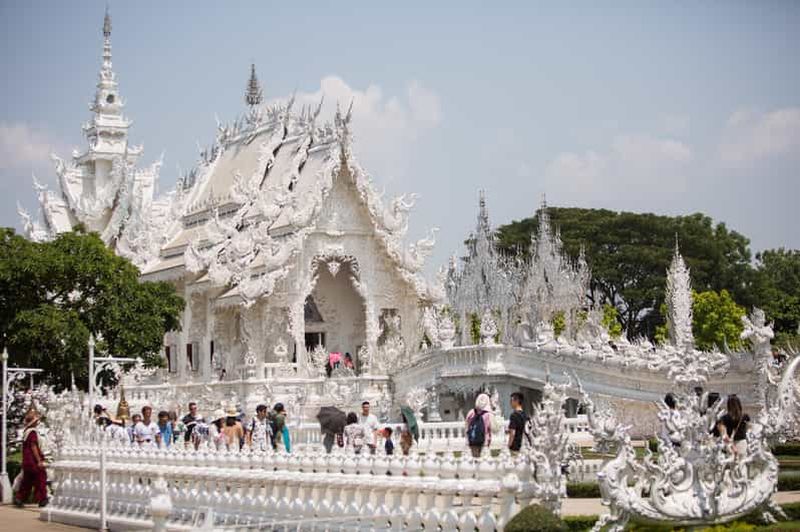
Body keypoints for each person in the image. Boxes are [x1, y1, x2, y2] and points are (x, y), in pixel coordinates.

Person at [14, 412, 48, 507]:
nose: (37, 422)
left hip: (27, 460)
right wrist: (39, 460)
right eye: (36, 420)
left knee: (28, 480)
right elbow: (33, 446)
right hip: (33, 460)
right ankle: (42, 499)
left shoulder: (26, 431)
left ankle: (19, 498)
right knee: (41, 477)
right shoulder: (32, 432)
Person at [465, 393, 492, 458]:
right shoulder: (488, 414)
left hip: (473, 440)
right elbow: (490, 429)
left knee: (474, 460)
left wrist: (467, 440)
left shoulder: (471, 413)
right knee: (483, 462)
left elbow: (467, 428)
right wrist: (489, 440)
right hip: (484, 441)